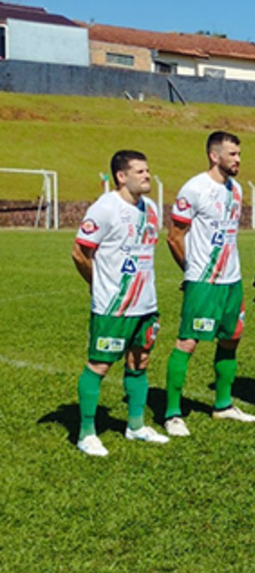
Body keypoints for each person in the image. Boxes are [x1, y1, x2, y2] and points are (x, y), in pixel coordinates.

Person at [71, 150, 168, 456]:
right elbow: (80, 253)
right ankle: (86, 433)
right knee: (99, 365)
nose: (146, 175)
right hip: (114, 306)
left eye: (147, 170)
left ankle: (136, 426)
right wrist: (98, 285)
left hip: (145, 304)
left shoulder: (151, 208)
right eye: (139, 171)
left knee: (139, 362)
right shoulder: (105, 208)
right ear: (121, 177)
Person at [164, 131, 255, 437]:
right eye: (233, 154)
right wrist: (191, 272)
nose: (238, 160)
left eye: (240, 154)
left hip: (232, 279)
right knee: (188, 341)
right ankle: (172, 413)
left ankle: (223, 404)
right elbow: (175, 236)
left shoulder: (237, 189)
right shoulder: (194, 188)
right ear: (214, 156)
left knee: (231, 339)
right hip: (204, 280)